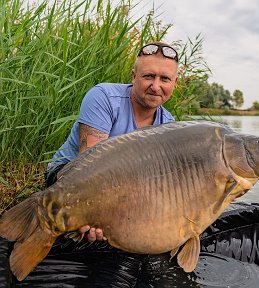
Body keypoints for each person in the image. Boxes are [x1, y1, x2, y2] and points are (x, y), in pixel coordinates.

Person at [46, 41, 179, 242]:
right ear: (134, 76)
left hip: (128, 187)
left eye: (165, 79)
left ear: (174, 83)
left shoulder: (168, 124)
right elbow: (89, 168)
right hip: (70, 174)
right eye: (149, 76)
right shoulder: (104, 97)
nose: (156, 86)